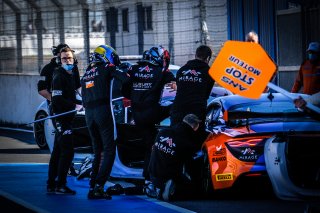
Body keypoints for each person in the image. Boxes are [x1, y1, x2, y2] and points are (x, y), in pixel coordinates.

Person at [81, 45, 129, 200]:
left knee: (98, 151)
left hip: (89, 115)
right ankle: (99, 187)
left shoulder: (86, 74)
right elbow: (126, 79)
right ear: (106, 56)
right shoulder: (107, 67)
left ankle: (93, 183)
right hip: (103, 112)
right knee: (109, 150)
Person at [122, 45, 175, 186]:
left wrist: (136, 96)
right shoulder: (161, 71)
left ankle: (147, 177)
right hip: (152, 113)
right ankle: (150, 177)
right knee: (174, 107)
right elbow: (175, 83)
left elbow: (124, 89)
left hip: (137, 115)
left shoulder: (133, 69)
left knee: (150, 144)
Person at [47, 47, 82, 195]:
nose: (67, 61)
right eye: (64, 59)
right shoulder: (58, 75)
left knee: (57, 151)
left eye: (69, 58)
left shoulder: (72, 73)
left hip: (68, 116)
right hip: (61, 117)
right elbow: (56, 99)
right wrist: (74, 105)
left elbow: (75, 92)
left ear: (73, 59)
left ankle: (51, 184)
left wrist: (81, 100)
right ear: (59, 61)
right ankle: (61, 184)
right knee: (67, 151)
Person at [146, 114, 202, 201]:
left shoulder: (162, 132)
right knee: (193, 191)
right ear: (194, 126)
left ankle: (154, 187)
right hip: (168, 176)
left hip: (152, 172)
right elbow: (190, 165)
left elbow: (153, 149)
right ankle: (165, 190)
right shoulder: (186, 142)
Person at [170, 45, 214, 147]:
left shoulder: (182, 70)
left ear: (196, 55)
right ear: (207, 58)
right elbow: (206, 95)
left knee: (175, 142)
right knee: (193, 145)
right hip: (195, 112)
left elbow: (181, 89)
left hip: (178, 110)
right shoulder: (210, 73)